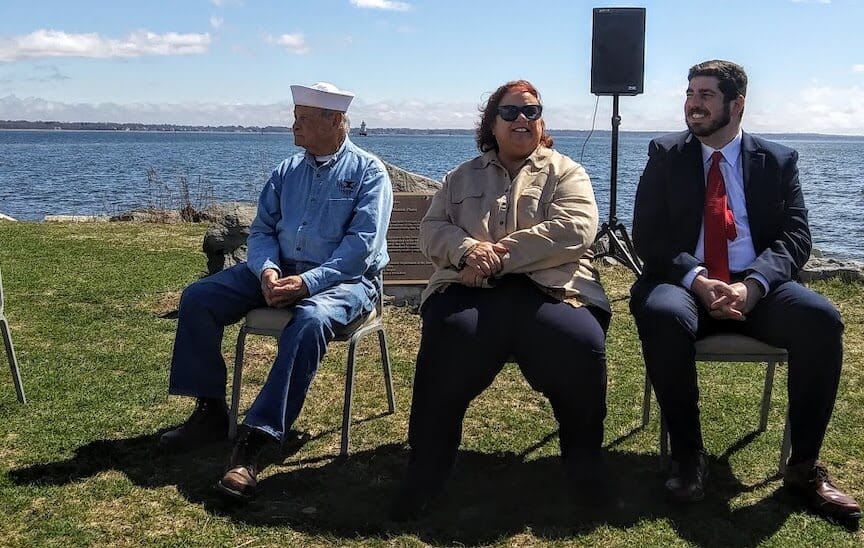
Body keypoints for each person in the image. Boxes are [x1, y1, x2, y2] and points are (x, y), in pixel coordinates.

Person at [631, 60, 860, 521]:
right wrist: (696, 278)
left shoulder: (776, 161)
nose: (693, 104)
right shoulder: (665, 154)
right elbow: (648, 237)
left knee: (821, 319)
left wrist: (754, 284)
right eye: (690, 93)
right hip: (686, 283)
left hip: (758, 289)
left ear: (737, 105)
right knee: (662, 314)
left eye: (706, 95)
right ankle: (688, 457)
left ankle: (803, 467)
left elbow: (796, 237)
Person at [159, 82, 393, 501]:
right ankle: (211, 410)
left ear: (334, 121)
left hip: (346, 282)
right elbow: (263, 230)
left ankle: (258, 439)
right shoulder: (287, 171)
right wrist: (266, 270)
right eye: (295, 116)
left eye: (303, 118)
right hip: (279, 270)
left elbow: (360, 250)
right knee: (199, 297)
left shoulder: (369, 173)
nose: (294, 125)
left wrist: (308, 283)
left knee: (310, 318)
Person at [394, 80, 611, 519]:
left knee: (580, 344)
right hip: (471, 289)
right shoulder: (460, 177)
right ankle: (427, 470)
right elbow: (431, 230)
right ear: (491, 124)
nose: (522, 120)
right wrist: (467, 251)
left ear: (542, 120)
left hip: (552, 291)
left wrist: (495, 256)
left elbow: (575, 229)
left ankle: (584, 464)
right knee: (449, 336)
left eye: (531, 111)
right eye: (510, 113)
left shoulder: (567, 172)